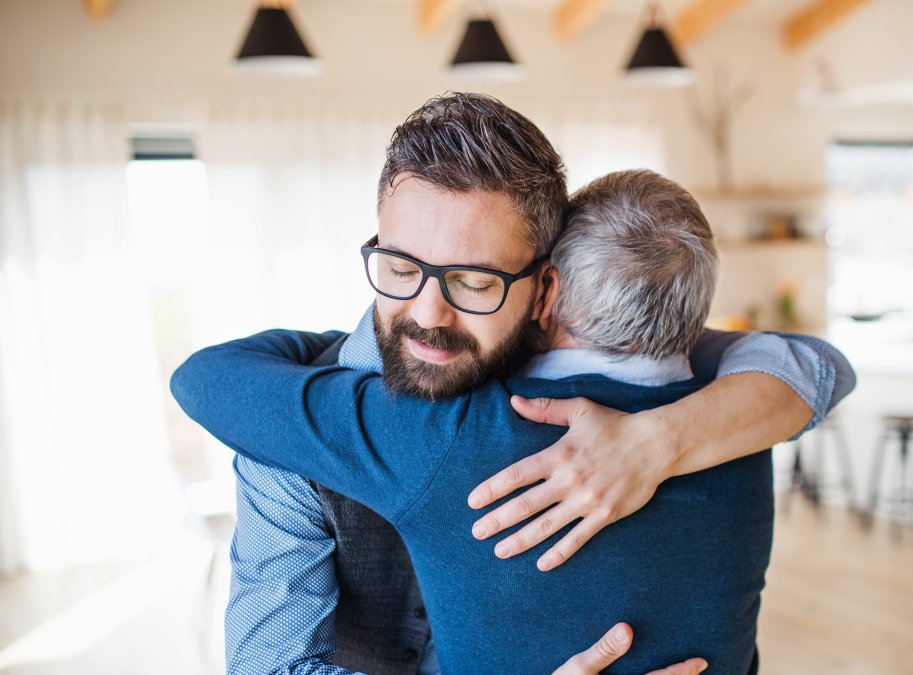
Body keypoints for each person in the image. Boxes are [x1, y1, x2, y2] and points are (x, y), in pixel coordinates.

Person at [204, 93, 855, 674]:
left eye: (475, 280)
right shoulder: (292, 417)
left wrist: (659, 439)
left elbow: (809, 363)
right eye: (401, 267)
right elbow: (272, 664)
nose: (429, 315)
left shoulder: (629, 381)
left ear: (545, 289)